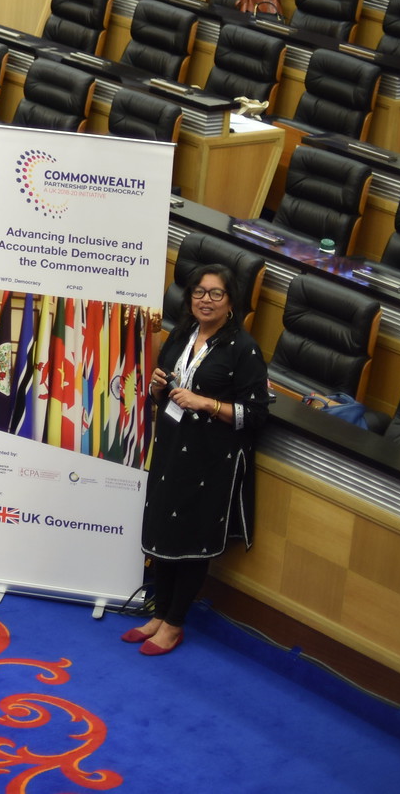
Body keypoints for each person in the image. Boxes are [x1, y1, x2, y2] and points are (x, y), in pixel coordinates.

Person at [134, 264, 272, 656]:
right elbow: (164, 395)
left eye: (215, 293)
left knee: (190, 539)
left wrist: (208, 403)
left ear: (231, 302)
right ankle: (159, 614)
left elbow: (256, 413)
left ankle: (174, 624)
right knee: (163, 529)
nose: (205, 300)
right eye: (198, 292)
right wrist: (160, 389)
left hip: (211, 460)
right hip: (172, 448)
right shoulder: (180, 335)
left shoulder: (243, 348)